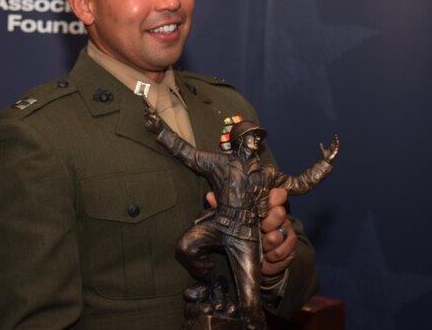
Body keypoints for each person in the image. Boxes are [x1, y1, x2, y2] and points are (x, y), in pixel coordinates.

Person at [0, 0, 321, 328]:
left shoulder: (228, 108)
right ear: (84, 5)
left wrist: (275, 265)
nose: (171, 0)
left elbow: (302, 281)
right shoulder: (43, 135)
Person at [145, 110, 339, 329]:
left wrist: (324, 164)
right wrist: (160, 129)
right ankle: (214, 285)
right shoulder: (219, 163)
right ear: (238, 141)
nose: (255, 141)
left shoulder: (267, 173)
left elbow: (299, 184)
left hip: (245, 235)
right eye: (251, 136)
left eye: (257, 137)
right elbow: (187, 153)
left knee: (251, 306)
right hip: (219, 224)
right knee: (187, 246)